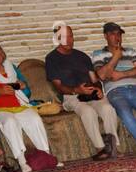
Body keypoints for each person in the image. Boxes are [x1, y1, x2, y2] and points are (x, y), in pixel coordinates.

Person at [0, 42, 57, 172]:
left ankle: (47, 156)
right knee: (10, 122)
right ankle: (22, 161)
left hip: (19, 105)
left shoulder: (12, 67)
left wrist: (23, 86)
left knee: (34, 118)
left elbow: (27, 92)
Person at [45, 23, 120, 160]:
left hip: (90, 93)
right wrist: (76, 90)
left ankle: (113, 146)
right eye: (63, 37)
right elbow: (59, 87)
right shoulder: (51, 59)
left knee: (108, 108)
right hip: (71, 96)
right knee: (88, 112)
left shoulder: (82, 56)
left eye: (70, 36)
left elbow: (94, 78)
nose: (68, 40)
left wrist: (98, 88)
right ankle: (101, 148)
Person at [92, 22, 136, 156]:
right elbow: (102, 75)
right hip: (115, 91)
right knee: (125, 112)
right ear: (105, 36)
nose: (117, 37)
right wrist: (116, 57)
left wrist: (121, 74)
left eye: (119, 34)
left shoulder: (130, 51)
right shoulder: (98, 54)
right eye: (113, 34)